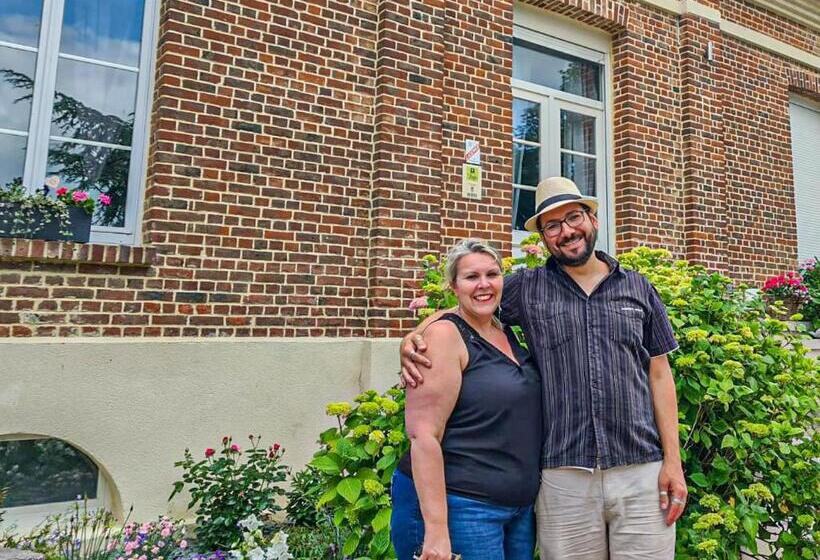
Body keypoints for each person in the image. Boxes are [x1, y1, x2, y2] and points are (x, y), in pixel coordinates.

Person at [401, 177, 687, 559]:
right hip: (564, 477)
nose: (566, 231)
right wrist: (415, 335)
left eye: (573, 218)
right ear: (544, 237)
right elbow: (471, 305)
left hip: (640, 470)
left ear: (593, 220)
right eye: (552, 226)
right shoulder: (526, 288)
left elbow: (660, 375)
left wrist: (673, 462)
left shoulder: (639, 288)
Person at [390, 239, 543, 560]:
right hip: (463, 506)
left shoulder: (504, 331)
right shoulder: (444, 336)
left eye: (492, 274)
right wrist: (436, 530)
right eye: (471, 277)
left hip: (516, 509)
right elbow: (423, 436)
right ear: (453, 286)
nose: (484, 284)